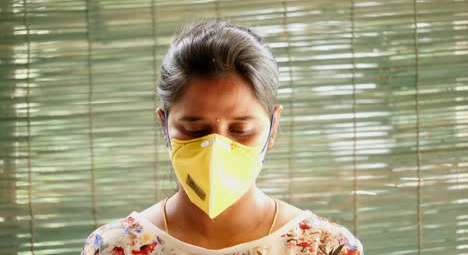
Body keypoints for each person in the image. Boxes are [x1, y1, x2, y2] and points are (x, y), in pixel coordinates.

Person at [81, 22, 364, 255]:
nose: (216, 148)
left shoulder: (326, 247)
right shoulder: (114, 247)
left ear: (273, 127)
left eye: (240, 130)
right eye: (194, 130)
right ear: (164, 126)